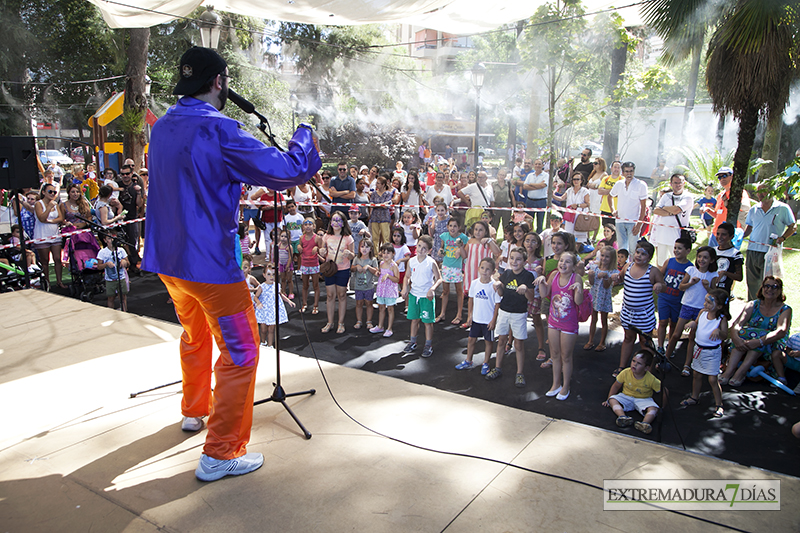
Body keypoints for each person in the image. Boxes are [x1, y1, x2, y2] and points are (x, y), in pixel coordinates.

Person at [142, 47, 321, 482]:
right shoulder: (220, 129)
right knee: (242, 351)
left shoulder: (162, 126)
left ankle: (193, 409)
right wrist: (305, 134)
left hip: (168, 261)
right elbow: (286, 170)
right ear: (220, 82)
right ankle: (221, 452)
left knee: (194, 333)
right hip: (210, 267)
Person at [720, 276, 792, 388]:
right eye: (766, 286)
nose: (769, 290)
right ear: (762, 288)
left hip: (773, 342)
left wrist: (759, 342)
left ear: (780, 291)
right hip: (751, 340)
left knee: (760, 334)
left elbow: (781, 331)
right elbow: (737, 324)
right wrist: (736, 338)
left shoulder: (785, 309)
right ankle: (729, 371)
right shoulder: (753, 305)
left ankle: (741, 372)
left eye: (774, 287)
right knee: (742, 332)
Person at [612, 240, 664, 378]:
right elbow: (620, 278)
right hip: (627, 312)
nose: (639, 256)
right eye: (637, 252)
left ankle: (649, 370)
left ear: (649, 257)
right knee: (628, 338)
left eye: (643, 254)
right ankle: (622, 367)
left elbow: (662, 283)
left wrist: (659, 285)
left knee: (645, 341)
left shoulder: (652, 271)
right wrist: (616, 278)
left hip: (644, 314)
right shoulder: (628, 266)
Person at [485, 246, 536, 386]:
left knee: (518, 344)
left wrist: (525, 290)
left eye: (518, 259)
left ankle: (520, 373)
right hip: (504, 311)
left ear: (524, 261)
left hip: (519, 313)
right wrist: (498, 286)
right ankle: (498, 368)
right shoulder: (506, 274)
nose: (514, 261)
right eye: (512, 258)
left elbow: (531, 298)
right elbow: (501, 294)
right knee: (501, 341)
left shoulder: (528, 276)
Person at [665, 246, 719, 376]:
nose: (701, 259)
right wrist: (691, 283)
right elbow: (681, 286)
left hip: (702, 309)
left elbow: (714, 295)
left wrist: (707, 287)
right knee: (676, 334)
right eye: (700, 256)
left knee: (692, 338)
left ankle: (687, 365)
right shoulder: (691, 270)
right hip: (687, 305)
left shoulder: (713, 275)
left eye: (705, 257)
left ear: (711, 260)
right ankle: (665, 358)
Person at [537, 251, 584, 400]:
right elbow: (545, 294)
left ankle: (566, 386)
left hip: (569, 324)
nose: (563, 264)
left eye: (567, 262)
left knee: (566, 356)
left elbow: (578, 301)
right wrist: (541, 283)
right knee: (555, 354)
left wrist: (579, 289)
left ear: (574, 266)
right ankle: (555, 384)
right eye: (561, 261)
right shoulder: (554, 275)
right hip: (553, 322)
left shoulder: (576, 278)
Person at [680, 288, 730, 418]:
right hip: (699, 349)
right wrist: (692, 324)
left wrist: (719, 332)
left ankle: (719, 404)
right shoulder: (702, 312)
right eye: (705, 301)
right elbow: (697, 323)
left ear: (719, 306)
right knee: (696, 375)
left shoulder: (721, 319)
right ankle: (694, 397)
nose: (705, 304)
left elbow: (725, 335)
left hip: (712, 352)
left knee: (713, 379)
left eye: (708, 302)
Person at [743, 183, 796, 301]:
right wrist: (739, 235)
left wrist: (782, 238)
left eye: (764, 191)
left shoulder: (782, 208)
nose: (760, 194)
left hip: (771, 252)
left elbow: (793, 226)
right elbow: (749, 227)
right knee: (752, 282)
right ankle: (753, 306)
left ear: (772, 192)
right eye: (758, 191)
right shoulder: (754, 209)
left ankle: (769, 307)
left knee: (769, 284)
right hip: (752, 250)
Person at [455, 257, 501, 375]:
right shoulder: (475, 283)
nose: (484, 271)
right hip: (476, 319)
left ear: (493, 272)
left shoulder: (494, 286)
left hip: (487, 320)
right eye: (482, 268)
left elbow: (497, 304)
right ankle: (468, 360)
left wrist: (493, 320)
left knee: (488, 342)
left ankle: (486, 363)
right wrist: (470, 316)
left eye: (488, 269)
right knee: (471, 339)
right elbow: (471, 300)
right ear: (478, 268)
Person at [401, 235, 442, 358]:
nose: (420, 250)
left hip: (426, 297)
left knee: (427, 322)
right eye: (419, 246)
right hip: (414, 295)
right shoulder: (411, 261)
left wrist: (432, 289)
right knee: (414, 320)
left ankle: (428, 345)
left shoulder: (431, 263)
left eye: (424, 248)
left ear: (429, 251)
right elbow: (407, 277)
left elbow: (439, 279)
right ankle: (412, 342)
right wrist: (405, 287)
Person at [602, 350, 661, 435]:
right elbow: (616, 386)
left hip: (643, 399)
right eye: (633, 361)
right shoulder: (626, 372)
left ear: (646, 368)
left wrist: (662, 406)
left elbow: (663, 391)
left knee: (654, 408)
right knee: (612, 400)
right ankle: (622, 417)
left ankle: (645, 424)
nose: (634, 364)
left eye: (639, 363)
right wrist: (608, 399)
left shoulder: (651, 379)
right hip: (626, 396)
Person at [319, 210, 355, 334]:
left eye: (338, 220)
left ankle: (341, 323)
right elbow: (323, 252)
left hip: (343, 270)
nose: (336, 222)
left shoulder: (348, 238)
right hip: (330, 269)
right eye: (334, 220)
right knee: (330, 295)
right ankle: (329, 322)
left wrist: (349, 254)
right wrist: (322, 252)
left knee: (342, 295)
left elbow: (352, 255)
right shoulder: (327, 236)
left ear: (343, 223)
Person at [656, 238, 692, 354]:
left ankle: (670, 347)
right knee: (662, 322)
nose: (676, 250)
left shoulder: (690, 268)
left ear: (688, 251)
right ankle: (660, 346)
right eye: (675, 248)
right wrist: (659, 284)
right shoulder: (669, 261)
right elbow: (660, 275)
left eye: (679, 248)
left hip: (678, 300)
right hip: (664, 298)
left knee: (674, 324)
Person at [651, 174, 693, 265]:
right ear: (671, 184)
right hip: (662, 234)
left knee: (677, 261)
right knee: (661, 262)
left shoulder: (687, 197)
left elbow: (677, 209)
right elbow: (656, 210)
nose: (678, 185)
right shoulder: (666, 196)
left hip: (677, 235)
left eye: (680, 183)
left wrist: (665, 208)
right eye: (675, 183)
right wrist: (671, 212)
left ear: (684, 183)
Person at [706, 166, 750, 247]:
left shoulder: (739, 193)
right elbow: (717, 215)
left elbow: (745, 209)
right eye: (719, 177)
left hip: (730, 235)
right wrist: (708, 210)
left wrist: (729, 203)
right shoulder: (720, 195)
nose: (722, 179)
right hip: (715, 234)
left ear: (732, 176)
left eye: (724, 176)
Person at [585, 246, 618, 352]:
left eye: (607, 257)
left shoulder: (613, 271)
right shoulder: (595, 267)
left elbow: (607, 285)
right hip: (594, 295)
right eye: (603, 256)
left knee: (604, 320)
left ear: (612, 259)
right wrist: (591, 275)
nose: (604, 259)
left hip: (604, 297)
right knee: (593, 319)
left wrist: (605, 277)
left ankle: (602, 342)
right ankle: (590, 340)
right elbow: (591, 283)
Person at [610, 162, 648, 253]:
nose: (629, 174)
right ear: (622, 173)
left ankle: (633, 267)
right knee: (622, 250)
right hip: (620, 221)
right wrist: (613, 210)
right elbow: (610, 196)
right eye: (626, 171)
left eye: (631, 171)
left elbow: (643, 207)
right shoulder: (619, 184)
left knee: (633, 250)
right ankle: (623, 267)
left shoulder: (641, 184)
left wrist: (639, 224)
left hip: (633, 222)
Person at [33, 183, 66, 289]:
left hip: (54, 234)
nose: (52, 194)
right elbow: (41, 218)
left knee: (57, 258)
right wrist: (48, 208)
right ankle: (47, 282)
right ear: (43, 192)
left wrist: (50, 221)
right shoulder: (39, 204)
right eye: (50, 192)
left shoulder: (55, 204)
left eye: (54, 192)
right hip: (42, 235)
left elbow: (60, 218)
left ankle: (59, 281)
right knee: (45, 261)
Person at [436, 217, 468, 325]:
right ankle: (442, 313)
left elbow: (465, 255)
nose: (452, 228)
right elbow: (443, 251)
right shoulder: (444, 236)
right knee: (445, 291)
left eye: (455, 226)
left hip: (457, 267)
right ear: (447, 227)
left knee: (459, 291)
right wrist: (441, 252)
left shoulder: (463, 238)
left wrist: (460, 248)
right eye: (450, 226)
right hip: (446, 266)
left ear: (459, 227)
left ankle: (459, 315)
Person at [255, 262, 295, 347]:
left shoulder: (277, 285)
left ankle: (270, 345)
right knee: (263, 329)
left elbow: (280, 295)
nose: (271, 277)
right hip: (264, 311)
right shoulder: (262, 287)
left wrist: (288, 301)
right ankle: (263, 341)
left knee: (271, 329)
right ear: (264, 275)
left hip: (273, 310)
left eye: (273, 274)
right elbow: (256, 297)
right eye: (269, 274)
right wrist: (258, 302)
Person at [370, 243, 400, 337]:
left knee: (390, 309)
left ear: (393, 254)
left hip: (390, 290)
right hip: (381, 289)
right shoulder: (381, 263)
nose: (386, 255)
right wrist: (378, 273)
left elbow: (397, 279)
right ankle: (380, 326)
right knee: (381, 308)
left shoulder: (393, 265)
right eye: (384, 253)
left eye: (388, 253)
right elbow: (381, 274)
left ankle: (389, 328)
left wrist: (388, 276)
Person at [95, 229, 129, 310]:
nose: (112, 240)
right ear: (105, 240)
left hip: (121, 278)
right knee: (111, 297)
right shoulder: (102, 252)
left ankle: (124, 311)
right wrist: (106, 264)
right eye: (109, 238)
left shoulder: (121, 250)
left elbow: (128, 263)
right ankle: (110, 312)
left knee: (123, 296)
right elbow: (99, 266)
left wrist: (125, 261)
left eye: (113, 238)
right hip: (110, 280)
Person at [554, 172, 590, 246]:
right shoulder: (569, 190)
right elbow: (561, 198)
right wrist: (552, 195)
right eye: (574, 179)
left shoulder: (585, 191)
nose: (576, 181)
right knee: (569, 234)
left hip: (579, 216)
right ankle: (570, 248)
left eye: (578, 179)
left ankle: (577, 249)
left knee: (579, 236)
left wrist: (578, 205)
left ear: (581, 180)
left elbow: (587, 204)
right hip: (570, 216)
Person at [351, 238, 378, 330]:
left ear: (371, 249)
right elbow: (352, 268)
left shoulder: (373, 259)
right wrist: (356, 266)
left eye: (367, 246)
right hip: (358, 286)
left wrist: (369, 267)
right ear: (359, 248)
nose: (364, 249)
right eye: (362, 246)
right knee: (358, 303)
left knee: (369, 303)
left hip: (369, 286)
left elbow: (376, 271)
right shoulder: (357, 259)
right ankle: (359, 320)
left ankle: (369, 321)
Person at [298, 217, 322, 315]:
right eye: (306, 224)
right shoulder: (301, 238)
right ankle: (304, 303)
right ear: (303, 226)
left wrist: (317, 247)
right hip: (304, 264)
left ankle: (315, 305)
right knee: (305, 285)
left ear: (314, 226)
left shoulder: (317, 238)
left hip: (314, 264)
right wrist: (298, 247)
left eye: (310, 224)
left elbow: (322, 249)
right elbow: (300, 248)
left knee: (316, 285)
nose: (308, 226)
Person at [713, 222, 743, 294]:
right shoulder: (712, 251)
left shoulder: (735, 254)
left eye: (724, 234)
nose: (720, 237)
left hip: (723, 292)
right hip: (709, 289)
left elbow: (739, 277)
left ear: (731, 236)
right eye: (718, 234)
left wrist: (725, 273)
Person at [522, 158, 549, 233]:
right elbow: (524, 186)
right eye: (536, 164)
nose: (537, 166)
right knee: (528, 221)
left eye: (539, 164)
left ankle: (539, 237)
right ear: (534, 165)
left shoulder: (546, 175)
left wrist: (531, 184)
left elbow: (543, 185)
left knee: (540, 222)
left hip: (541, 201)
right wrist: (538, 185)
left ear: (542, 165)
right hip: (530, 201)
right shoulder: (530, 175)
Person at [369, 175, 393, 255]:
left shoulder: (387, 194)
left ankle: (386, 254)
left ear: (383, 184)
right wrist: (381, 204)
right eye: (377, 183)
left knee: (385, 237)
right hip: (374, 217)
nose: (377, 185)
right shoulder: (374, 194)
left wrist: (377, 205)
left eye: (378, 183)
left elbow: (386, 205)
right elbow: (371, 204)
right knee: (375, 238)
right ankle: (376, 254)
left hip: (384, 218)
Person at [586, 157, 607, 242]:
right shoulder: (593, 173)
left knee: (596, 217)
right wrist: (590, 185)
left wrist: (595, 186)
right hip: (591, 196)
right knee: (588, 216)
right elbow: (588, 183)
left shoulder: (604, 175)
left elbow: (603, 186)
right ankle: (587, 236)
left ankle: (594, 237)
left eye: (596, 163)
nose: (594, 165)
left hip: (597, 198)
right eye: (593, 163)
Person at [597, 160, 622, 226]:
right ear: (611, 168)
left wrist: (606, 190)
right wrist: (614, 191)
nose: (616, 169)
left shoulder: (622, 179)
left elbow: (621, 193)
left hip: (617, 210)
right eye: (615, 167)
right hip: (605, 208)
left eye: (618, 167)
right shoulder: (606, 178)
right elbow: (600, 191)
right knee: (605, 228)